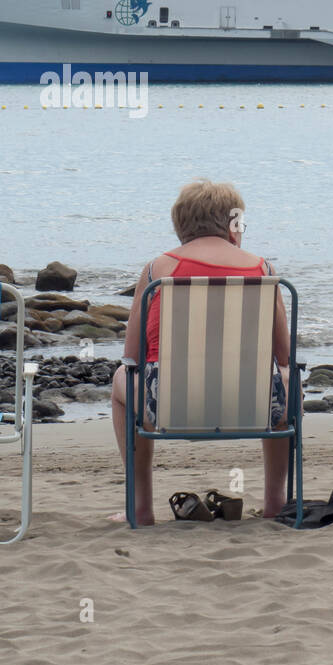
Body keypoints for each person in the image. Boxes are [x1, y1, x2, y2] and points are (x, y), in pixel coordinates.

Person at [110, 179, 292, 525]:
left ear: (181, 224)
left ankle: (141, 507)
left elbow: (132, 355)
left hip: (168, 409)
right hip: (253, 408)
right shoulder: (263, 270)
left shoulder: (156, 270)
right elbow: (283, 355)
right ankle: (275, 502)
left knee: (122, 377)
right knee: (285, 376)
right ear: (233, 224)